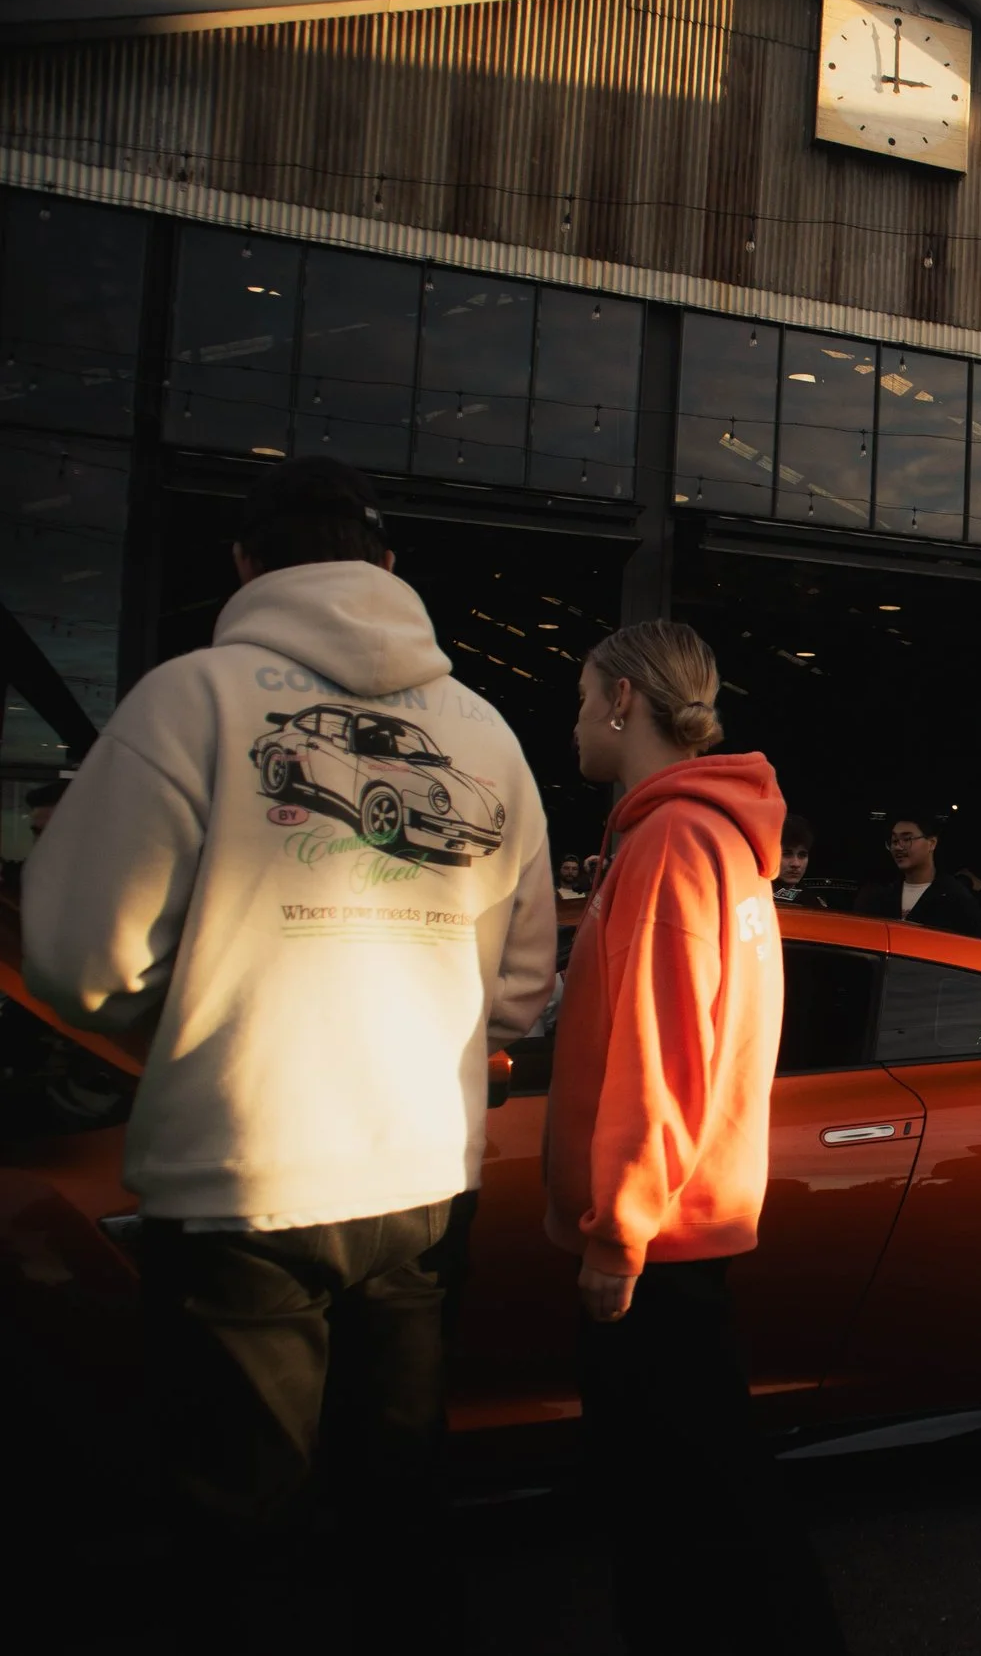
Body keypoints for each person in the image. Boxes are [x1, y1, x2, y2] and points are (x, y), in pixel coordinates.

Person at [20, 455, 558, 1640]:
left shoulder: (189, 699)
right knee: (403, 1503)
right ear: (390, 570)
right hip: (422, 1173)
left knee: (239, 1524)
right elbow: (522, 986)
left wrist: (197, 1013)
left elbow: (74, 957)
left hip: (243, 1172)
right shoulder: (487, 731)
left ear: (245, 563)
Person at [544, 619, 836, 1650]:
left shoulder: (673, 840)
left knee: (678, 1526)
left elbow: (663, 1053)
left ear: (624, 701)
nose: (574, 721)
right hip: (690, 1223)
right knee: (719, 1508)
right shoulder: (716, 836)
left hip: (657, 1238)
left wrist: (615, 1231)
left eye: (582, 699)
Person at [855, 807, 981, 936]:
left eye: (907, 839)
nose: (897, 847)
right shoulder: (877, 895)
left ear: (932, 843)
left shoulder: (957, 899)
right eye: (894, 840)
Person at [772, 813, 828, 909]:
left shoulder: (814, 901)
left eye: (802, 855)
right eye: (786, 854)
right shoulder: (752, 895)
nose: (796, 864)